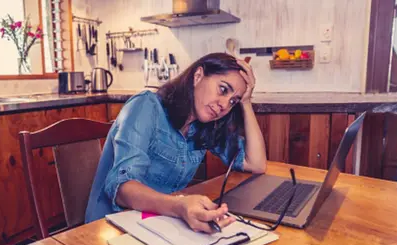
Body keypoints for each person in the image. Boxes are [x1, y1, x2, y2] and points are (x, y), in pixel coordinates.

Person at [85, 53, 267, 233]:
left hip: (157, 223)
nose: (224, 105)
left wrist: (246, 102)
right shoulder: (145, 106)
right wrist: (179, 205)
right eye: (223, 89)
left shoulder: (204, 126)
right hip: (108, 230)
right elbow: (122, 189)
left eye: (233, 101)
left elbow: (256, 163)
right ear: (198, 76)